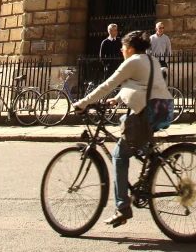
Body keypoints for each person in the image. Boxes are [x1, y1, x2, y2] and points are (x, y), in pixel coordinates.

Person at [74, 30, 173, 227]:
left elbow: (108, 84)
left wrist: (83, 103)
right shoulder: (151, 60)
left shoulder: (132, 62)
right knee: (124, 121)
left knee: (119, 156)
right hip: (163, 109)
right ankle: (150, 158)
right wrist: (117, 98)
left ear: (131, 48)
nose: (121, 50)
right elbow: (142, 83)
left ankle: (122, 208)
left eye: (123, 47)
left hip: (147, 112)